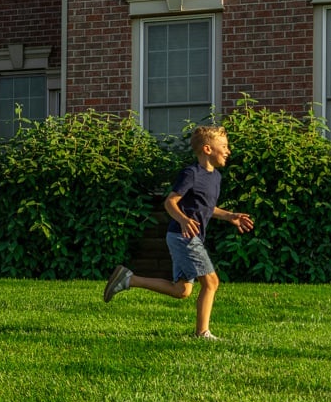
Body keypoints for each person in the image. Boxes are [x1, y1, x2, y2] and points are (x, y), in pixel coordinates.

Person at [103, 124, 255, 341]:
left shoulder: (216, 178)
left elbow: (206, 207)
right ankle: (202, 333)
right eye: (224, 146)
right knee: (211, 282)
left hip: (187, 237)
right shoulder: (191, 173)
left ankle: (128, 279)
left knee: (181, 290)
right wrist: (183, 220)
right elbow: (170, 202)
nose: (228, 150)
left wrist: (230, 216)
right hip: (183, 236)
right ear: (207, 149)